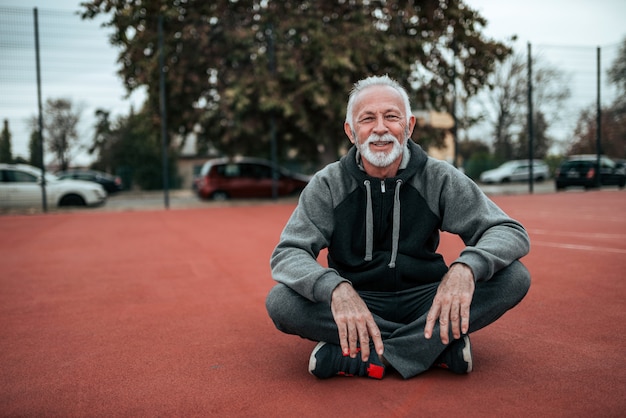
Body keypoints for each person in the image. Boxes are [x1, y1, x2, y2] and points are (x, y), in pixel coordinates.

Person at [265, 75, 531, 380]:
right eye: (368, 119)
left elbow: (509, 231)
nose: (380, 128)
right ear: (351, 132)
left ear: (409, 126)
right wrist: (335, 288)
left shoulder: (438, 177)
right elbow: (288, 253)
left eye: (391, 117)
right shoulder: (328, 184)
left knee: (514, 277)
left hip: (426, 298)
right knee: (282, 302)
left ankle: (374, 355)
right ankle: (434, 347)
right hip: (358, 299)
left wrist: (466, 269)